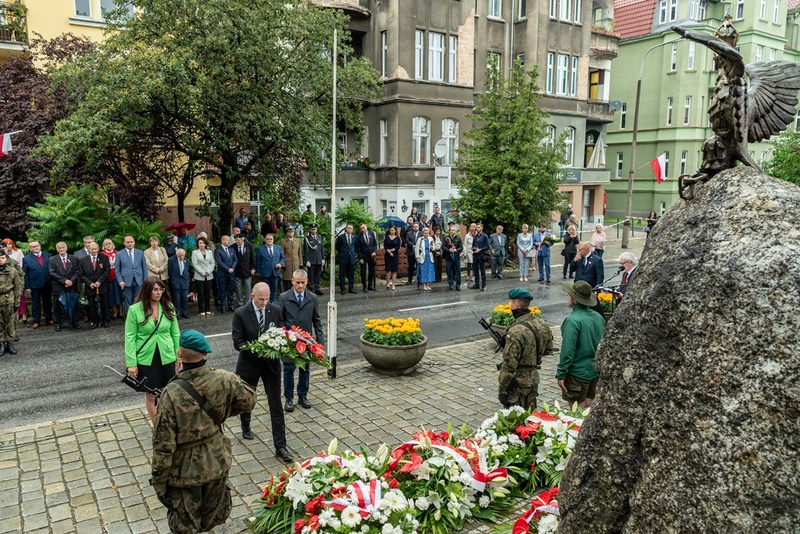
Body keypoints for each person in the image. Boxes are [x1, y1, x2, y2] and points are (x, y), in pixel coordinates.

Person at [151, 329, 256, 534]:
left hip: (185, 473)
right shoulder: (225, 379)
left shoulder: (171, 394)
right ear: (205, 354)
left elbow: (163, 446)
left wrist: (159, 484)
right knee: (213, 520)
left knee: (185, 527)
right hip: (217, 461)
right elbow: (248, 401)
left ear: (179, 354)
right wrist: (223, 412)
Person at [232, 282, 293, 463]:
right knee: (246, 400)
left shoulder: (274, 310)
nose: (264, 303)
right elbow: (238, 342)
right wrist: (259, 349)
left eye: (267, 299)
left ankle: (280, 446)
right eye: (261, 299)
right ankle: (246, 425)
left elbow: (282, 331)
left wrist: (281, 343)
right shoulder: (240, 314)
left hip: (271, 366)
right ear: (252, 296)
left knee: (276, 404)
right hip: (249, 364)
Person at [125, 276, 180, 422]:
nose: (158, 293)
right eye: (155, 290)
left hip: (166, 355)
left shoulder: (169, 307)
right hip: (146, 357)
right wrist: (132, 363)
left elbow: (175, 333)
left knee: (165, 392)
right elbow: (130, 337)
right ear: (147, 290)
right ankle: (157, 425)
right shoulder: (134, 310)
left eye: (161, 289)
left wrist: (179, 355)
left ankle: (166, 421)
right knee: (151, 394)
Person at [498, 288, 554, 409]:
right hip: (533, 379)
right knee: (531, 417)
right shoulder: (542, 324)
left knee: (515, 421)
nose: (509, 305)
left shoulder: (515, 331)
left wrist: (502, 389)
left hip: (517, 384)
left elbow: (509, 365)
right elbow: (549, 348)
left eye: (510, 302)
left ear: (516, 304)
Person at [279, 270, 325, 412]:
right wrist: (282, 339)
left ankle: (303, 395)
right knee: (288, 369)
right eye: (297, 282)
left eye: (303, 282)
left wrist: (320, 342)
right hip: (289, 341)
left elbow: (316, 320)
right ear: (292, 281)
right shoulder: (284, 297)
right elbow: (279, 320)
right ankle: (288, 398)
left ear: (306, 281)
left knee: (305, 369)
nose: (300, 286)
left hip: (306, 341)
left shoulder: (312, 297)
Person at [557, 281, 606, 409]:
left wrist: (561, 374)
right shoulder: (598, 317)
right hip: (594, 371)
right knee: (589, 407)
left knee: (577, 412)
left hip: (577, 373)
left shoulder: (572, 321)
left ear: (574, 299)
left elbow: (567, 352)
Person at [48, 242, 81, 331]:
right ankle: (57, 323)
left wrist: (71, 281)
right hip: (58, 285)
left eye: (63, 247)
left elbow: (78, 271)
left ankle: (75, 322)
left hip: (71, 285)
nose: (61, 249)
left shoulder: (74, 258)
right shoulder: (52, 259)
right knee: (57, 305)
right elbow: (52, 272)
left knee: (73, 304)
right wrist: (64, 281)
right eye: (59, 248)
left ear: (66, 248)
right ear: (57, 249)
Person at [78, 242, 110, 329]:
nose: (94, 251)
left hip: (102, 285)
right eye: (92, 249)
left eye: (95, 249)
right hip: (90, 286)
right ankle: (94, 321)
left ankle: (105, 321)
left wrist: (99, 281)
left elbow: (107, 271)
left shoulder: (104, 258)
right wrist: (89, 283)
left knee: (104, 304)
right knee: (92, 305)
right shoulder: (83, 260)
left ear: (98, 249)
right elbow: (81, 274)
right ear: (88, 249)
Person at [116, 236, 149, 318]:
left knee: (138, 300)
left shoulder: (140, 253)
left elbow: (144, 267)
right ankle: (129, 319)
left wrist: (145, 280)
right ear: (124, 243)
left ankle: (138, 317)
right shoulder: (119, 254)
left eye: (131, 242)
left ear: (134, 242)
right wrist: (120, 281)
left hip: (139, 280)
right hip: (126, 281)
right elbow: (117, 269)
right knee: (128, 301)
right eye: (128, 242)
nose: (130, 244)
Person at [22, 241, 52, 329]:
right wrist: (27, 286)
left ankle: (49, 318)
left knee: (48, 301)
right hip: (34, 283)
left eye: (37, 246)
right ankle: (36, 321)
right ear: (30, 249)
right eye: (33, 247)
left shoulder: (48, 255)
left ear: (40, 246)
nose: (36, 248)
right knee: (35, 302)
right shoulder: (27, 258)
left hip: (47, 282)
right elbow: (25, 273)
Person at [0, 250, 22, 356]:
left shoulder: (12, 271)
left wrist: (17, 302)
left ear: (5, 258)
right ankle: (1, 344)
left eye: (2, 258)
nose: (1, 260)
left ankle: (8, 343)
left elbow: (17, 287)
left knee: (9, 322)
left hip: (8, 299)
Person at [255, 234, 284, 302]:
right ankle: (266, 301)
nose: (269, 240)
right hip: (264, 272)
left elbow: (283, 257)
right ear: (265, 240)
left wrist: (280, 263)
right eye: (267, 239)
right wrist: (259, 272)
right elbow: (258, 261)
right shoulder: (260, 248)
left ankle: (272, 301)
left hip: (275, 271)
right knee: (265, 288)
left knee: (274, 288)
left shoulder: (278, 248)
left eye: (271, 239)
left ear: (273, 240)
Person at [191, 237, 216, 316]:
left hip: (209, 275)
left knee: (207, 292)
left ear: (205, 244)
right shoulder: (195, 252)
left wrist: (208, 271)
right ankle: (201, 309)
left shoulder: (209, 252)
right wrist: (202, 272)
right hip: (199, 275)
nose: (201, 244)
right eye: (199, 243)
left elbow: (212, 263)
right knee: (201, 293)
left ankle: (208, 308)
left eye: (202, 243)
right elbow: (194, 264)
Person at [2, 239, 25, 323]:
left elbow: (21, 273)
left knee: (19, 296)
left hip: (14, 285)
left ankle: (22, 313)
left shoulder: (13, 261)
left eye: (9, 244)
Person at [213, 235, 237, 314]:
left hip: (231, 273)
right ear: (223, 241)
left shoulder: (231, 249)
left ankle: (231, 305)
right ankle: (222, 306)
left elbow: (235, 260)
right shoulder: (218, 250)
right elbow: (219, 262)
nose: (229, 241)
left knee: (230, 290)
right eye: (227, 240)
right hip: (222, 273)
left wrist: (232, 268)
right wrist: (227, 269)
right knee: (222, 290)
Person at [101, 239, 123, 320]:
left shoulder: (118, 253)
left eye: (109, 243)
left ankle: (121, 311)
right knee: (112, 295)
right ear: (104, 246)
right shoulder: (102, 254)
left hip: (118, 278)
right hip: (108, 278)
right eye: (106, 244)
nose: (108, 245)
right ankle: (114, 312)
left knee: (119, 295)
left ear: (112, 244)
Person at [233, 234, 256, 305]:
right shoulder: (233, 247)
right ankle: (240, 302)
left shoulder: (249, 245)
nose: (236, 242)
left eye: (238, 240)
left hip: (247, 270)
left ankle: (248, 302)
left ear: (242, 239)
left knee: (248, 287)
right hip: (237, 271)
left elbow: (252, 257)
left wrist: (253, 268)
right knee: (238, 288)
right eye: (235, 240)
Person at [168, 248, 191, 318]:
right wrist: (173, 280)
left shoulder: (187, 261)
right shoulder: (171, 260)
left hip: (184, 281)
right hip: (176, 281)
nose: (181, 257)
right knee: (177, 298)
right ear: (177, 254)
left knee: (184, 298)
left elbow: (187, 270)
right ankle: (178, 313)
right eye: (180, 256)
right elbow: (169, 271)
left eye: (182, 255)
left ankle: (185, 312)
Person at [335, 224, 357, 295]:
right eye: (348, 228)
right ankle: (343, 288)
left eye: (351, 228)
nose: (349, 229)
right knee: (342, 274)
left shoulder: (354, 237)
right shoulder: (341, 237)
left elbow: (355, 246)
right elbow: (337, 247)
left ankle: (351, 287)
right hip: (343, 258)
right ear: (346, 229)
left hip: (351, 258)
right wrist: (343, 253)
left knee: (351, 274)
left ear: (352, 229)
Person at [356, 223, 378, 292]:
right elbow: (358, 248)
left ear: (366, 227)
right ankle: (364, 286)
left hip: (371, 255)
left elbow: (375, 244)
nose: (362, 229)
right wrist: (360, 258)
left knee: (371, 271)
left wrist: (374, 251)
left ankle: (370, 285)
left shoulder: (371, 233)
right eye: (361, 228)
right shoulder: (359, 236)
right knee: (363, 272)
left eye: (363, 228)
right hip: (363, 256)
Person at [304, 223, 325, 295]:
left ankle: (317, 288)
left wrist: (323, 258)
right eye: (312, 229)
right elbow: (306, 250)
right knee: (311, 276)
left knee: (318, 275)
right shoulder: (307, 238)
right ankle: (311, 289)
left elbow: (321, 249)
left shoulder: (319, 237)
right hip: (311, 260)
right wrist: (307, 260)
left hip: (318, 259)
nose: (313, 231)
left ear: (317, 229)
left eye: (314, 229)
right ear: (310, 230)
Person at [280, 227, 303, 292]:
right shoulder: (283, 241)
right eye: (289, 232)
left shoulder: (297, 240)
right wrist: (283, 264)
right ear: (287, 233)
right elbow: (282, 253)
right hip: (287, 264)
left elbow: (299, 253)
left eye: (292, 232)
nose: (290, 233)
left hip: (296, 263)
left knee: (296, 279)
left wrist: (301, 263)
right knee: (288, 280)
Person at [442, 221, 463, 291]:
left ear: (456, 231)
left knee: (457, 271)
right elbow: (443, 247)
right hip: (449, 257)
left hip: (456, 257)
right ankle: (450, 284)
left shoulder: (458, 238)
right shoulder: (446, 238)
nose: (452, 231)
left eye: (453, 230)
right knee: (448, 271)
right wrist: (448, 250)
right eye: (451, 230)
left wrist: (456, 250)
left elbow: (461, 247)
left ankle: (458, 285)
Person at [415, 227, 435, 291]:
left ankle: (427, 284)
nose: (426, 234)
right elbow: (417, 249)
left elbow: (433, 247)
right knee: (423, 271)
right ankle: (424, 285)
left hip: (429, 256)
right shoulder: (420, 239)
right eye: (425, 233)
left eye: (427, 232)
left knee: (429, 271)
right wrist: (417, 257)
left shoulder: (431, 239)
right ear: (423, 233)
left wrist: (432, 248)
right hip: (423, 257)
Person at [471, 223, 490, 291]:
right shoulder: (475, 236)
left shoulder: (485, 236)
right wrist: (474, 249)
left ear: (481, 228)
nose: (477, 228)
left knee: (482, 270)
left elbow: (488, 246)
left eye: (479, 227)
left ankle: (483, 285)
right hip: (475, 255)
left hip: (482, 255)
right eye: (477, 227)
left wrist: (480, 249)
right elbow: (473, 245)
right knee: (475, 270)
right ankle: (477, 284)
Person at [383, 225, 401, 290]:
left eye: (393, 230)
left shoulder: (397, 238)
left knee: (394, 270)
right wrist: (389, 251)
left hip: (395, 255)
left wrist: (393, 250)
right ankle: (388, 283)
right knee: (389, 270)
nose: (392, 231)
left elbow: (398, 246)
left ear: (395, 230)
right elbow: (385, 246)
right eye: (391, 230)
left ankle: (393, 284)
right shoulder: (387, 237)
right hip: (388, 255)